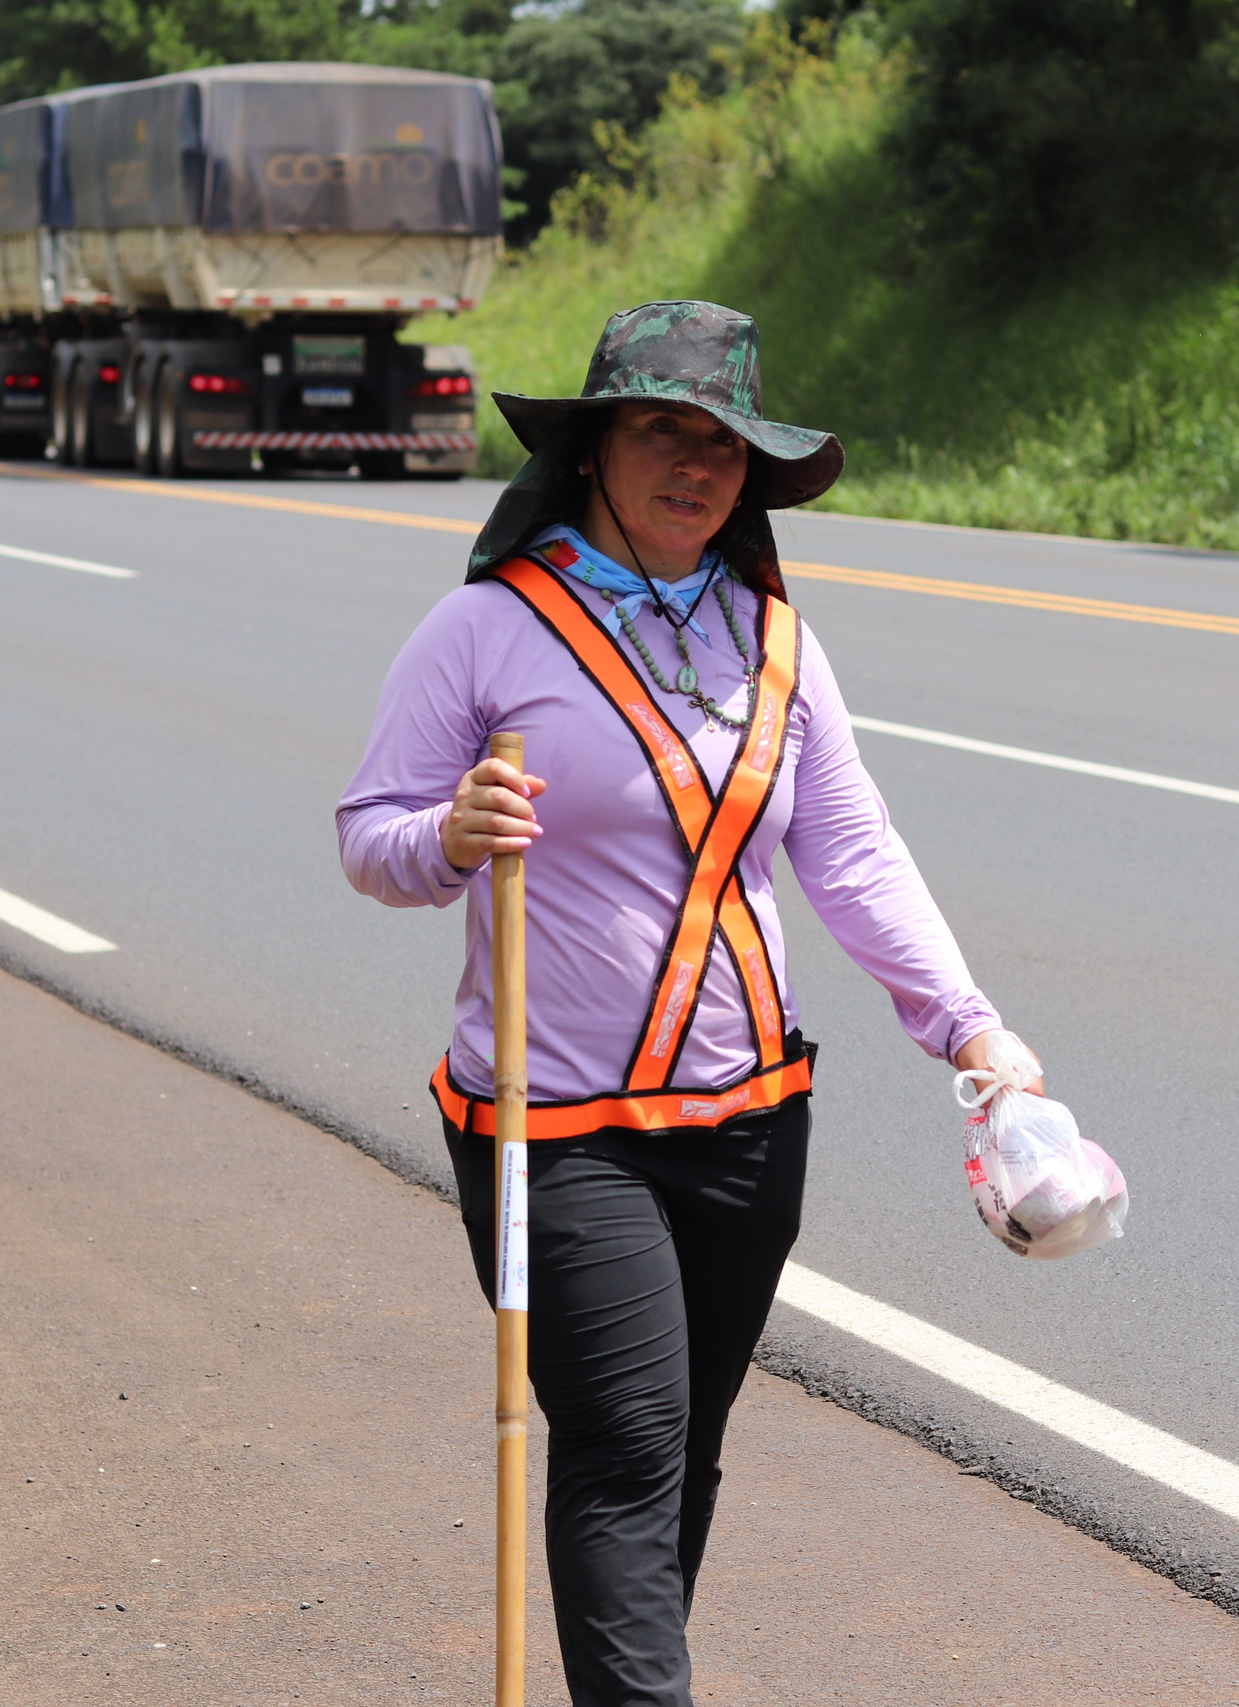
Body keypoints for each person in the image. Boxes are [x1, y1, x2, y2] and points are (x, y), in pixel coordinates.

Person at [338, 301, 1042, 1705]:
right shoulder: (485, 630)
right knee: (623, 1443)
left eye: (724, 443)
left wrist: (969, 1025)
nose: (697, 463)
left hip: (749, 1125)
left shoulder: (776, 642)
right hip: (555, 1130)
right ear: (594, 448)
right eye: (663, 429)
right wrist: (451, 836)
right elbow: (373, 836)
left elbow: (851, 854)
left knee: (681, 1448)